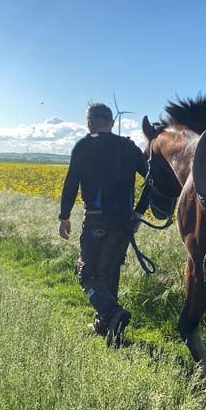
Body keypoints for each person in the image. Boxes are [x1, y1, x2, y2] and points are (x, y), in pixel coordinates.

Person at [58, 102, 149, 348]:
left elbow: (71, 183)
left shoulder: (84, 146)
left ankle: (112, 314)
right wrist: (139, 213)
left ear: (89, 122)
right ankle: (107, 327)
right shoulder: (129, 147)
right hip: (124, 223)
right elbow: (152, 180)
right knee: (109, 272)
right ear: (110, 122)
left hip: (97, 219)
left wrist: (64, 216)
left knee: (86, 273)